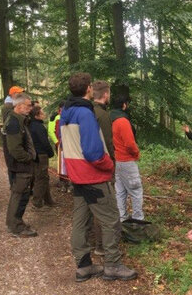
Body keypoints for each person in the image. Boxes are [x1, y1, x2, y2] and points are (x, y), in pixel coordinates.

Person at [60, 72, 137, 282]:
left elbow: (63, 141)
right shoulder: (85, 114)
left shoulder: (66, 111)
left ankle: (84, 266)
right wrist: (108, 164)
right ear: (88, 90)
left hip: (76, 176)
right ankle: (112, 264)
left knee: (80, 221)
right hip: (93, 176)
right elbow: (93, 152)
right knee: (112, 220)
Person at [4, 93, 38, 237]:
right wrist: (28, 158)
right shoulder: (13, 122)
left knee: (22, 194)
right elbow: (15, 149)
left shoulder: (19, 120)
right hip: (20, 166)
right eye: (28, 105)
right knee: (19, 195)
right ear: (19, 106)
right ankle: (15, 226)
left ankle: (16, 222)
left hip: (22, 165)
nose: (31, 108)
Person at [90, 80, 115, 256]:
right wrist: (111, 163)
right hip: (101, 165)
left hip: (86, 165)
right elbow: (108, 143)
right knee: (105, 207)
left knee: (90, 206)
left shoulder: (86, 111)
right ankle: (102, 246)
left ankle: (92, 242)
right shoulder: (102, 115)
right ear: (105, 94)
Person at [110, 94, 143, 221]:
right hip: (127, 160)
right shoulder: (122, 121)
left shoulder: (110, 119)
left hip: (117, 160)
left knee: (120, 191)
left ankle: (122, 219)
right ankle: (138, 219)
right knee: (136, 191)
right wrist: (136, 153)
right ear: (124, 105)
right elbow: (129, 143)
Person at [28, 105, 56, 211]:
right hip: (41, 155)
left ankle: (48, 200)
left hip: (36, 155)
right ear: (37, 115)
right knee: (41, 178)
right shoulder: (38, 127)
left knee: (43, 177)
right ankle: (37, 202)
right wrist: (51, 153)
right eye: (42, 112)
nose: (44, 114)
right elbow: (44, 142)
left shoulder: (32, 125)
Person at [2, 86, 25, 187]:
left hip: (14, 135)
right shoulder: (8, 106)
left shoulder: (12, 104)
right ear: (13, 94)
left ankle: (17, 185)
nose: (21, 95)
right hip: (10, 136)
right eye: (19, 93)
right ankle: (14, 185)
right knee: (11, 160)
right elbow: (10, 122)